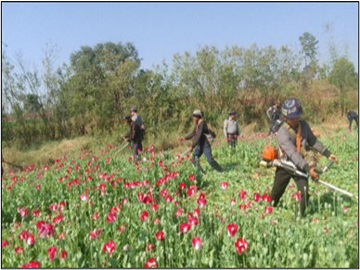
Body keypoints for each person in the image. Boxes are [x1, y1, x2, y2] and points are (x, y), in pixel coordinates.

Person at [270, 98, 337, 217]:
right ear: (285, 117)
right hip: (286, 165)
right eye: (292, 117)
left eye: (297, 116)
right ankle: (269, 212)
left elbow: (313, 141)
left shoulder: (304, 125)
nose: (295, 119)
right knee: (276, 194)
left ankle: (299, 218)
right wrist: (308, 168)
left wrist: (327, 153)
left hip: (301, 166)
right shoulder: (282, 132)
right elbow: (292, 154)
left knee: (304, 193)